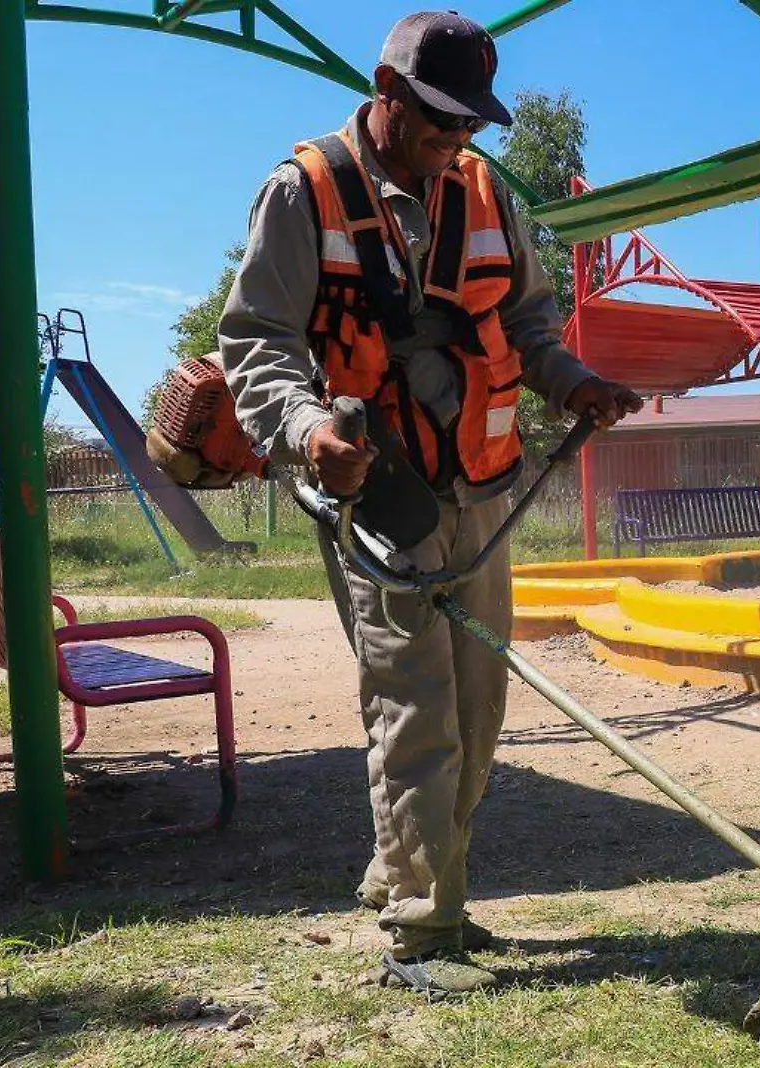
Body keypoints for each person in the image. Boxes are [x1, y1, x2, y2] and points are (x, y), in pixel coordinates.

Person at [219, 11, 643, 996]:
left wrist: (574, 382)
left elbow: (530, 323)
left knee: (483, 704)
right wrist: (304, 430)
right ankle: (423, 926)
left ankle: (415, 873)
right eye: (440, 119)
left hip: (481, 485)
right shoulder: (303, 192)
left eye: (469, 123)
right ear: (387, 90)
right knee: (418, 705)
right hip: (379, 493)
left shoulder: (487, 190)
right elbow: (256, 342)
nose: (457, 140)